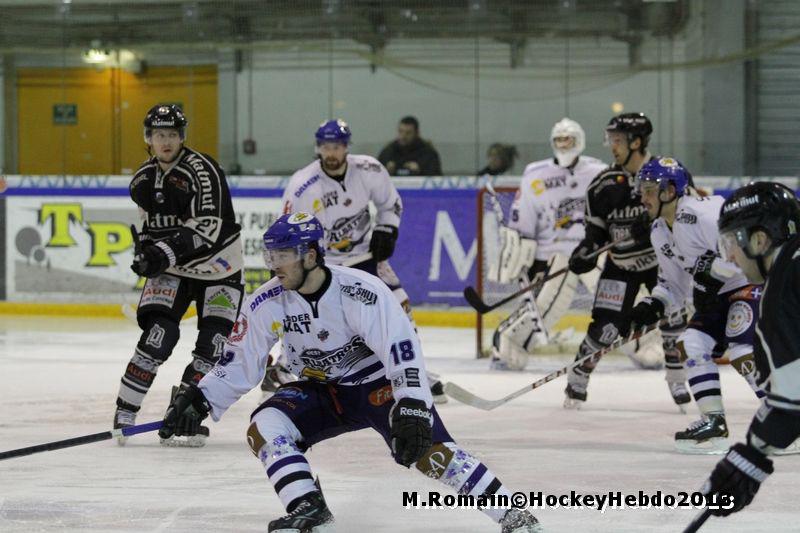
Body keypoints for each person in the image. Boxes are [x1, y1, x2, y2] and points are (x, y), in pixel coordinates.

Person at [157, 213, 543, 533]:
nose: (274, 264)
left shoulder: (361, 291)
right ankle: (309, 508)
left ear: (310, 255)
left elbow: (402, 351)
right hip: (322, 392)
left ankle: (514, 515)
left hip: (378, 386)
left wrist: (411, 404)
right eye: (270, 255)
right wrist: (201, 399)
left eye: (283, 255)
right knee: (265, 426)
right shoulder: (267, 301)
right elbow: (241, 361)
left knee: (428, 452)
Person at [276, 119, 446, 403]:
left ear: (346, 147)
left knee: (400, 308)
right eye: (326, 147)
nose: (331, 153)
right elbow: (288, 229)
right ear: (318, 148)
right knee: (315, 318)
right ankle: (283, 367)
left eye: (337, 146)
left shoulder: (369, 169)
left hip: (366, 257)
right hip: (326, 264)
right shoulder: (302, 185)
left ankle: (412, 369)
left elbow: (390, 203)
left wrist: (386, 229)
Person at [112, 104, 245, 447]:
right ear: (148, 138)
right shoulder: (142, 180)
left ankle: (184, 411)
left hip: (219, 266)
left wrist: (162, 253)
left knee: (213, 347)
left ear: (182, 137)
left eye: (172, 134)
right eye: (159, 135)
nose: (166, 141)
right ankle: (125, 411)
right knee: (158, 337)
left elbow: (207, 228)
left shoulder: (203, 170)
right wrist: (146, 254)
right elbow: (148, 227)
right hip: (174, 268)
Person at [626, 158, 765, 453]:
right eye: (642, 190)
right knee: (691, 344)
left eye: (649, 190)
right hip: (718, 297)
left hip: (750, 284)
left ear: (670, 191)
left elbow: (744, 253)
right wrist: (651, 305)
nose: (643, 197)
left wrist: (710, 273)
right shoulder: (659, 231)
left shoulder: (703, 213)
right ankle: (713, 423)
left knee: (742, 350)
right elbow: (672, 286)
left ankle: (789, 419)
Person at [563, 112, 689, 409]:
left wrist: (657, 225)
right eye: (611, 140)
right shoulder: (603, 184)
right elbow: (595, 234)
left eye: (618, 140)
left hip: (661, 263)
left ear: (636, 142)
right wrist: (585, 253)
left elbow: (686, 217)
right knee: (605, 329)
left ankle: (677, 378)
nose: (612, 146)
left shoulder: (667, 173)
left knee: (674, 318)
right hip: (621, 265)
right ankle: (578, 378)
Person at [699, 182, 800, 517]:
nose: (729, 256)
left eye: (732, 242)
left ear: (759, 240)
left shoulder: (783, 287)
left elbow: (793, 396)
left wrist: (749, 458)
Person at [488, 118, 606, 370]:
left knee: (618, 298)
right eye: (559, 140)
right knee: (545, 305)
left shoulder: (599, 171)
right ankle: (506, 343)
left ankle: (646, 344)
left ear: (579, 141)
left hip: (593, 251)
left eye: (568, 140)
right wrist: (521, 252)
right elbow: (523, 221)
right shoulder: (536, 174)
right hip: (554, 254)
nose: (563, 145)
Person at [377, 115, 442, 176]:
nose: (403, 136)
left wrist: (420, 170)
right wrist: (385, 170)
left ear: (417, 133)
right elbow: (375, 174)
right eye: (400, 131)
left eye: (408, 133)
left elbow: (437, 178)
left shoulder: (428, 153)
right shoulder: (388, 151)